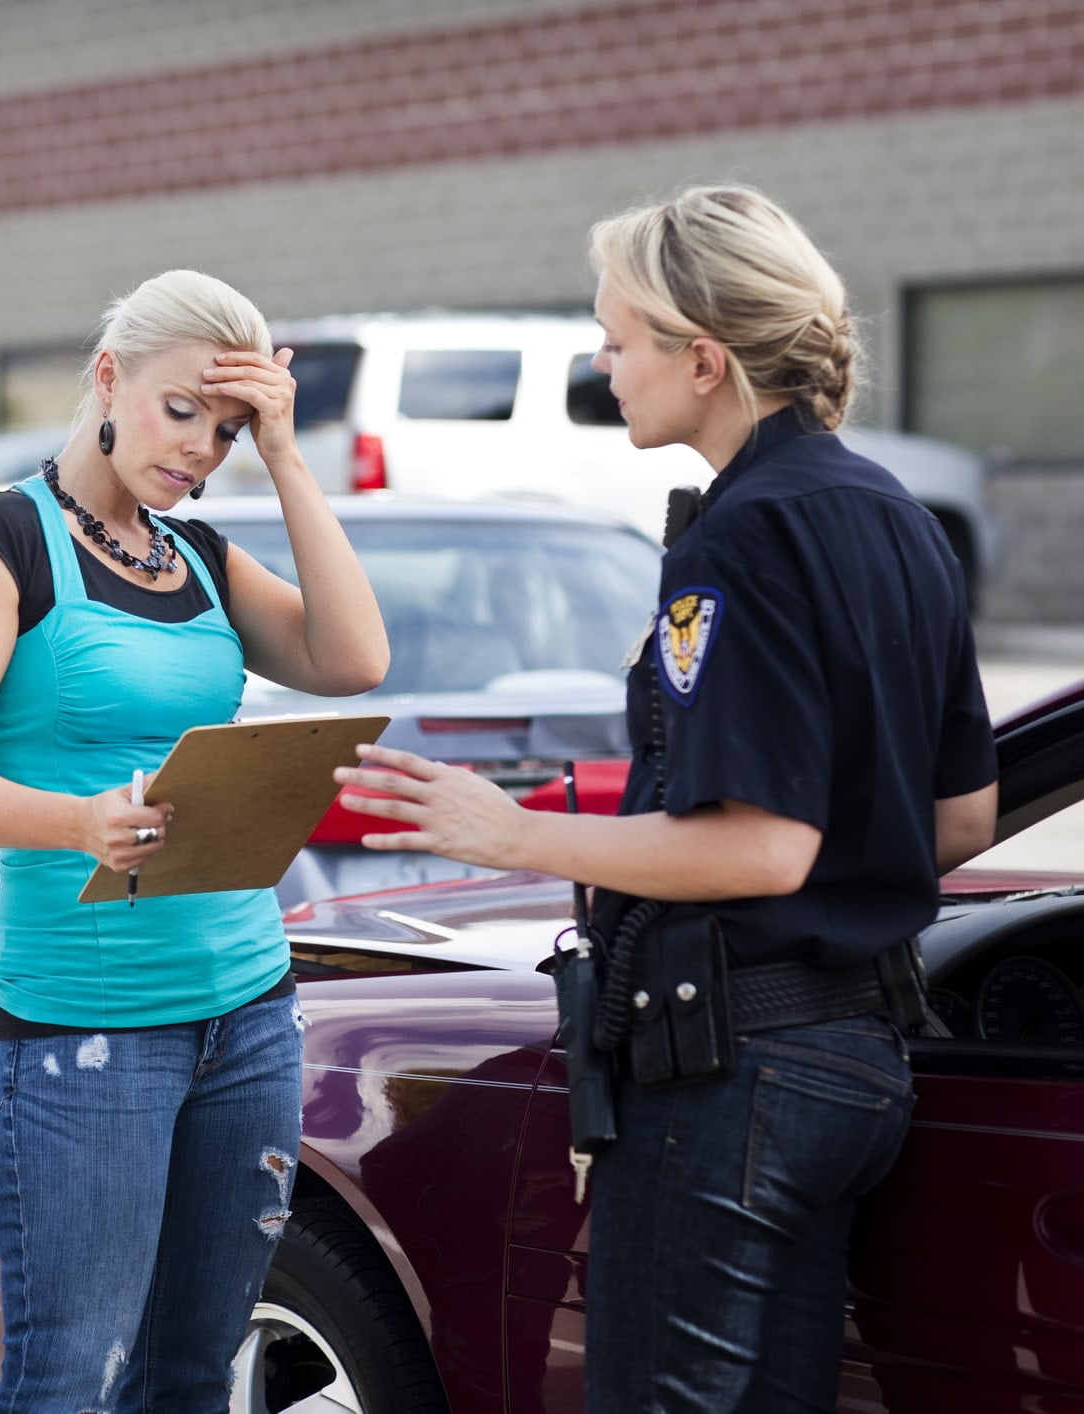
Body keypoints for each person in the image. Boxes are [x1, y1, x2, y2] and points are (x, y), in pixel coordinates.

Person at [335, 186, 1000, 1410]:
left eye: (618, 338)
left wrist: (511, 829)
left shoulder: (738, 538)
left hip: (733, 1072)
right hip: (856, 1062)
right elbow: (959, 818)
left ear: (704, 357)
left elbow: (759, 845)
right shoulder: (900, 520)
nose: (603, 366)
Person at [0, 269, 388, 1410]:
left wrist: (289, 454)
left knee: (188, 1372)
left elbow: (354, 657)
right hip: (86, 1025)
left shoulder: (199, 557)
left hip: (247, 1011)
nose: (201, 449)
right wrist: (79, 822)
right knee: (71, 1375)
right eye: (184, 412)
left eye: (226, 429)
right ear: (109, 378)